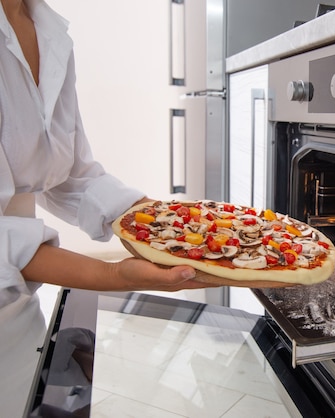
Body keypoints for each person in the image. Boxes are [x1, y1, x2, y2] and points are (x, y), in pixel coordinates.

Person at [0, 0, 220, 415]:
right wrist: (113, 273)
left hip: (19, 314)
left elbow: (67, 172)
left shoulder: (48, 30)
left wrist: (166, 221)